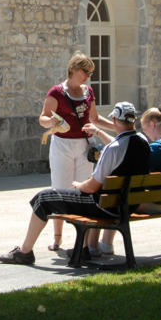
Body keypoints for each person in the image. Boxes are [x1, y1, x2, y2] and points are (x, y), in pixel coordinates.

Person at [0, 102, 150, 265]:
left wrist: (79, 185)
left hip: (103, 207)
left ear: (114, 119)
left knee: (43, 198)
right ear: (134, 120)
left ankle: (24, 252)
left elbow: (92, 187)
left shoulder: (113, 149)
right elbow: (119, 145)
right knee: (52, 196)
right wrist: (98, 132)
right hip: (127, 205)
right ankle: (82, 249)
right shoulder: (142, 142)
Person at [39, 51, 115, 251]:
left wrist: (117, 127)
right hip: (62, 144)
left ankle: (85, 239)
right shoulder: (56, 92)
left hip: (84, 144)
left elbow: (95, 119)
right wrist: (51, 121)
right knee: (61, 188)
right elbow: (43, 118)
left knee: (84, 189)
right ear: (73, 69)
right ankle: (57, 237)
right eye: (86, 71)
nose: (89, 76)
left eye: (91, 72)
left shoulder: (88, 92)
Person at [95, 104, 161, 254]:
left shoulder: (157, 149)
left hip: (154, 202)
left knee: (117, 196)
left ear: (153, 124)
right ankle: (104, 244)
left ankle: (105, 244)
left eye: (145, 129)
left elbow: (123, 152)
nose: (146, 134)